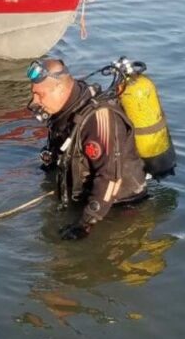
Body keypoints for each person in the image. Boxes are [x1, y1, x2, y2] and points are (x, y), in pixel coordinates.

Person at [27, 58, 148, 240]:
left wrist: (85, 223)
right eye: (33, 94)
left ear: (60, 89)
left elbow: (110, 177)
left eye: (40, 95)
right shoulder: (64, 111)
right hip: (85, 194)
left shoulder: (97, 118)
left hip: (119, 205)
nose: (34, 102)